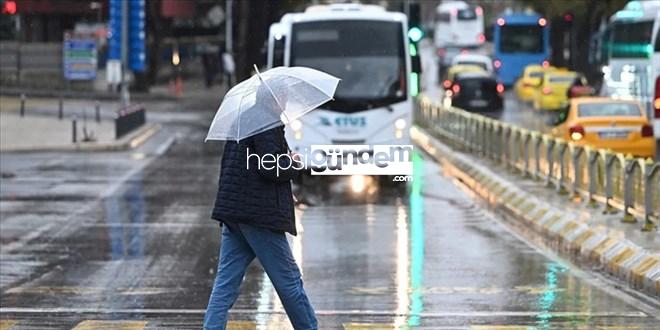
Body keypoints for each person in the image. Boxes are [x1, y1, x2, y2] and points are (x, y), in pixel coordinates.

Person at [204, 83, 317, 330]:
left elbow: (243, 166)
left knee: (224, 286)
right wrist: (293, 163)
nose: (286, 100)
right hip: (259, 216)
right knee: (290, 283)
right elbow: (270, 167)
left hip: (235, 213)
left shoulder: (243, 118)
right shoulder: (267, 123)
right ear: (275, 98)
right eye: (284, 95)